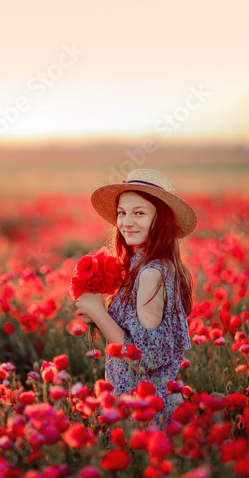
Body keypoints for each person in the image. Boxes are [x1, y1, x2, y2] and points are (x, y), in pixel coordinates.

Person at [75, 168, 197, 428]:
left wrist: (98, 312)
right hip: (138, 402)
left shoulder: (151, 273)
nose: (126, 222)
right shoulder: (146, 263)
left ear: (162, 220)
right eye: (122, 212)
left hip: (142, 414)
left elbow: (145, 357)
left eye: (139, 213)